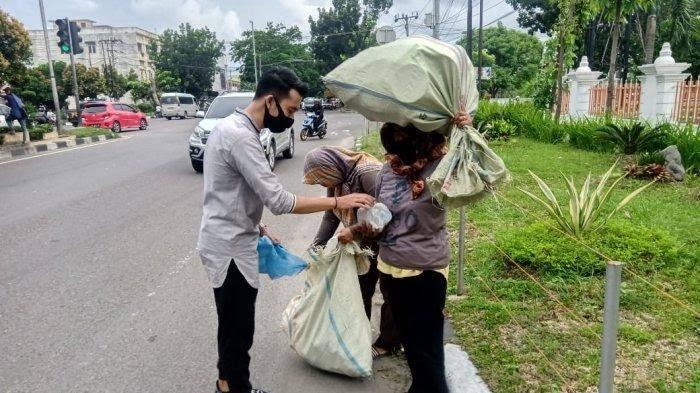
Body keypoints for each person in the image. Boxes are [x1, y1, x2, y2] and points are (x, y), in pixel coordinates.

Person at [197, 67, 374, 393]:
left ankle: (227, 384)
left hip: (231, 237)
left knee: (233, 323)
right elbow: (279, 200)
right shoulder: (240, 137)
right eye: (290, 110)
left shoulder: (234, 129)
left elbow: (230, 193)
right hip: (229, 248)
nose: (292, 117)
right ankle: (236, 388)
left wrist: (260, 227)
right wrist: (339, 201)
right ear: (270, 101)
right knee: (238, 327)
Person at [349, 113, 471, 393]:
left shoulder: (442, 168)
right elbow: (382, 215)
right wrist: (364, 226)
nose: (395, 157)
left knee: (427, 352)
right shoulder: (387, 171)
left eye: (402, 149)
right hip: (390, 268)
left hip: (425, 271)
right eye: (392, 150)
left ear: (421, 142)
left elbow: (483, 170)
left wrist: (465, 130)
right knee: (412, 347)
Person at [303, 146, 401, 359]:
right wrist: (316, 246)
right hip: (363, 243)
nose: (323, 184)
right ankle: (358, 338)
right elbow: (331, 215)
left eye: (322, 178)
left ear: (331, 167)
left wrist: (353, 230)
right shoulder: (338, 177)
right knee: (359, 289)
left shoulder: (368, 175)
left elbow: (386, 215)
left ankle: (388, 343)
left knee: (388, 291)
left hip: (387, 241)